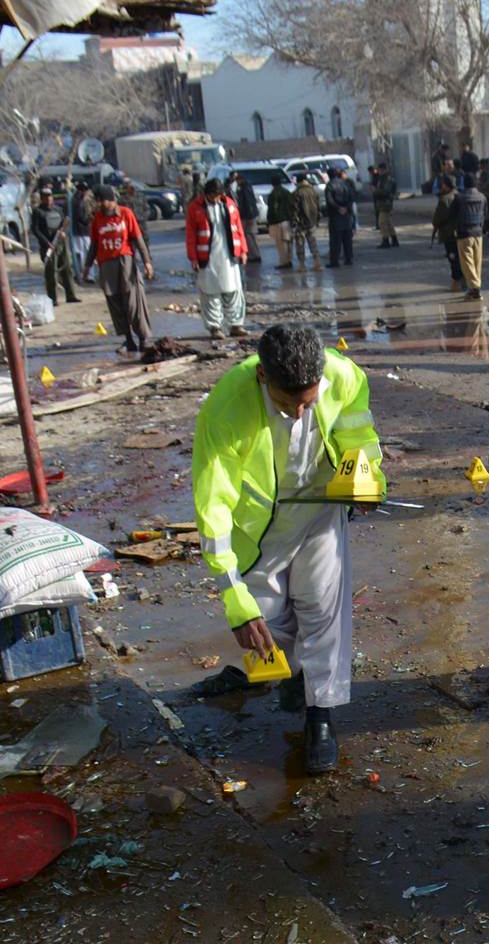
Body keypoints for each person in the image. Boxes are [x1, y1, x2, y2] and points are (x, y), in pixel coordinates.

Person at [193, 324, 384, 775]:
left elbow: (359, 434)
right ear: (263, 377)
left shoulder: (344, 375)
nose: (299, 414)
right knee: (267, 619)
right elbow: (213, 505)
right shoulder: (226, 409)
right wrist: (234, 598)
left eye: (308, 402)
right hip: (260, 528)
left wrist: (366, 475)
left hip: (321, 508)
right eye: (286, 404)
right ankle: (295, 678)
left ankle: (321, 714)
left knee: (322, 609)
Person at [81, 184, 153, 358]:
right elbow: (94, 245)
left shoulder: (126, 214)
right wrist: (87, 266)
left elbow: (138, 239)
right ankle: (129, 340)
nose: (99, 204)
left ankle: (143, 339)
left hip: (126, 262)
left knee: (133, 303)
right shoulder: (97, 219)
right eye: (98, 201)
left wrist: (147, 262)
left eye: (102, 201)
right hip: (106, 265)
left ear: (111, 201)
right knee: (116, 305)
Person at [186, 178, 250, 340]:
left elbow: (239, 229)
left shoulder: (229, 204)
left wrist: (243, 250)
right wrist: (193, 258)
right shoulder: (195, 208)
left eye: (218, 195)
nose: (216, 198)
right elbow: (191, 235)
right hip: (207, 258)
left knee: (234, 291)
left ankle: (236, 325)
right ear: (207, 194)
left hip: (229, 257)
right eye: (213, 195)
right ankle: (215, 327)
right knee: (210, 293)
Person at [31, 187, 80, 307]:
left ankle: (71, 295)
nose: (48, 199)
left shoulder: (58, 210)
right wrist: (46, 242)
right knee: (51, 273)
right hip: (48, 246)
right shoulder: (38, 212)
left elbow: (64, 224)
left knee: (67, 270)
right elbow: (35, 230)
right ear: (41, 199)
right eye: (45, 197)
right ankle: (52, 298)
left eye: (49, 196)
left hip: (60, 244)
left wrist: (64, 233)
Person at [452, 172, 487, 301]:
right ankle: (473, 289)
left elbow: (452, 215)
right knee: (477, 263)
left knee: (467, 263)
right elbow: (485, 213)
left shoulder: (459, 198)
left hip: (464, 234)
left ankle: (474, 287)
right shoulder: (482, 197)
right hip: (478, 233)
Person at [432, 171, 466, 291]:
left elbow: (437, 219)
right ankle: (464, 282)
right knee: (461, 258)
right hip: (461, 233)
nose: (441, 187)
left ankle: (457, 283)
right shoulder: (460, 196)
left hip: (449, 234)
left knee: (453, 259)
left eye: (443, 185)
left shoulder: (445, 199)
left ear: (446, 186)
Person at [323, 167, 354, 269]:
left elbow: (329, 200)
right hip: (347, 215)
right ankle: (348, 259)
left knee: (335, 240)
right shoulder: (346, 183)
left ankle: (334, 261)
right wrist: (346, 207)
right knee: (347, 239)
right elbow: (352, 197)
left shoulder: (330, 185)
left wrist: (338, 208)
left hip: (335, 216)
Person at [292, 173, 322, 267]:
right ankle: (317, 263)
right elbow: (318, 206)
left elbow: (295, 209)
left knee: (300, 244)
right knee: (313, 242)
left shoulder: (297, 192)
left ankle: (302, 265)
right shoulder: (313, 190)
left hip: (301, 222)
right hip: (312, 221)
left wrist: (294, 221)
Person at [266, 177, 295, 270]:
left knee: (280, 244)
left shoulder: (273, 194)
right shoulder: (287, 192)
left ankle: (284, 262)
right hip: (287, 220)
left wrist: (269, 221)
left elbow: (272, 209)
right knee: (288, 242)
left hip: (278, 221)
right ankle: (289, 260)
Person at [233, 172, 261, 261]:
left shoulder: (244, 189)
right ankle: (255, 254)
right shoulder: (247, 187)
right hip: (249, 215)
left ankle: (254, 255)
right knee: (251, 236)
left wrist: (249, 215)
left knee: (249, 236)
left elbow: (248, 203)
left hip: (248, 216)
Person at [372, 165, 399, 249]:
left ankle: (385, 240)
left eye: (379, 170)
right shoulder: (382, 179)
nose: (378, 172)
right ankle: (394, 240)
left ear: (383, 170)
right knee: (388, 222)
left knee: (382, 222)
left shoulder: (387, 179)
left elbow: (386, 192)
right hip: (382, 203)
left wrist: (375, 191)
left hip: (386, 203)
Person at [71, 182, 94, 281]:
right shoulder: (79, 200)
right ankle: (87, 275)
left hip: (79, 231)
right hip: (82, 231)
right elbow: (82, 217)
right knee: (86, 253)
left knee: (80, 254)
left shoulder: (74, 199)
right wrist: (90, 220)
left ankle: (81, 274)